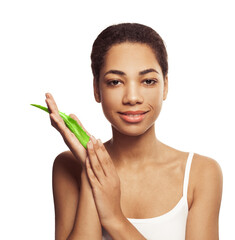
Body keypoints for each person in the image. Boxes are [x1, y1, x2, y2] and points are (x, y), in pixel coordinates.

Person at [45, 23, 223, 240]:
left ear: (165, 86)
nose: (132, 97)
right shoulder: (69, 166)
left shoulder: (201, 174)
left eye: (148, 81)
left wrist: (114, 218)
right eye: (115, 82)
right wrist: (91, 172)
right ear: (96, 89)